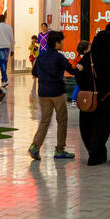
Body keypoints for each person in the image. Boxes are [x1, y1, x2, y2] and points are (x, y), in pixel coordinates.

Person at [76, 26, 110, 166]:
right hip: (105, 100)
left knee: (87, 127)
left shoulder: (88, 57)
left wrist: (87, 87)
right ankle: (97, 152)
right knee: (102, 128)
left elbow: (78, 75)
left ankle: (94, 152)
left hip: (89, 100)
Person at [30, 30, 74, 161]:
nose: (63, 43)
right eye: (62, 41)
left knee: (44, 120)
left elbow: (34, 72)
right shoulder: (59, 57)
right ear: (56, 43)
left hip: (43, 92)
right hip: (57, 92)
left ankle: (35, 146)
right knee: (62, 120)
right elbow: (71, 70)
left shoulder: (41, 56)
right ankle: (60, 150)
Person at [0, 12, 15, 87]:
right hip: (7, 47)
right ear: (5, 19)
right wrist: (12, 50)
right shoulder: (9, 27)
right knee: (4, 63)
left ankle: (4, 80)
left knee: (2, 64)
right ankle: (4, 80)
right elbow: (12, 39)